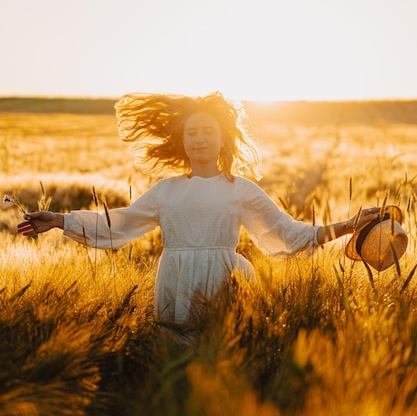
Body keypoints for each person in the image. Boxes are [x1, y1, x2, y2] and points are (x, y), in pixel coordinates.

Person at [17, 91, 380, 337]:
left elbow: (288, 233)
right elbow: (120, 223)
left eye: (209, 131)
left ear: (223, 139)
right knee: (176, 365)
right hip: (174, 281)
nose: (200, 139)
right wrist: (61, 220)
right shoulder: (166, 191)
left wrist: (348, 226)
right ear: (184, 140)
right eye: (192, 132)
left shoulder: (241, 189)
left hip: (227, 283)